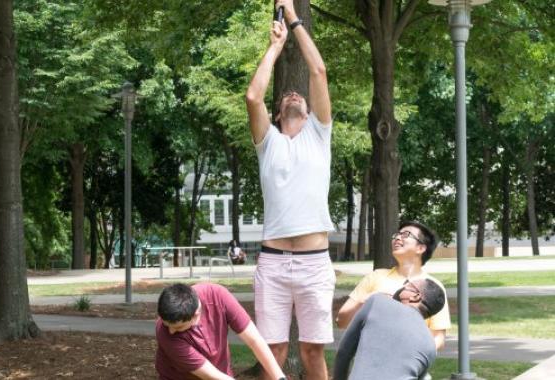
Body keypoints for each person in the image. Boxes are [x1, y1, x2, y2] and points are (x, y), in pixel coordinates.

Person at [245, 0, 335, 378]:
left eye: (299, 96)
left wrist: (294, 21)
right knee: (274, 351)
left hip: (315, 263)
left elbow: (318, 69)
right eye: (287, 97)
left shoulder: (319, 134)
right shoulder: (268, 143)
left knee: (313, 351)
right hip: (274, 262)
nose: (294, 95)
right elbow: (253, 96)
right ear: (279, 114)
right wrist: (275, 47)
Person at [336, 221, 451, 349]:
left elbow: (438, 338)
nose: (397, 237)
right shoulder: (376, 277)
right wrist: (368, 299)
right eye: (396, 235)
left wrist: (413, 357)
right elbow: (341, 322)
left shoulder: (433, 287)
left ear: (421, 248)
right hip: (371, 360)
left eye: (406, 234)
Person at [155, 283, 286, 380]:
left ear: (196, 315)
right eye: (168, 325)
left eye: (178, 328)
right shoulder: (164, 332)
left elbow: (255, 340)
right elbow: (210, 375)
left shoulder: (217, 296)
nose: (171, 331)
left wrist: (280, 378)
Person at [333, 279, 447, 380]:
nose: (402, 286)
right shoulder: (430, 345)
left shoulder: (377, 302)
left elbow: (343, 353)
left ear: (415, 296)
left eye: (407, 284)